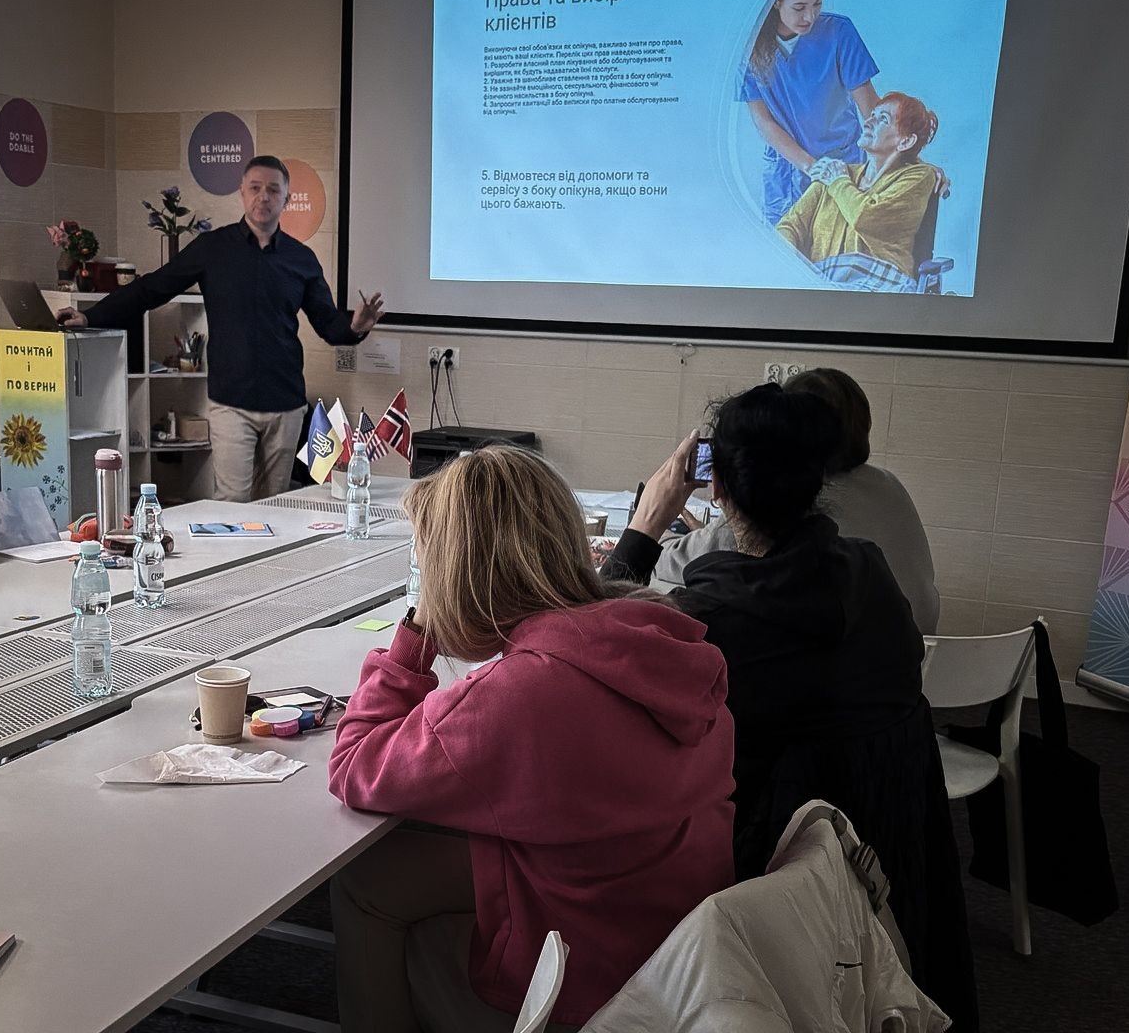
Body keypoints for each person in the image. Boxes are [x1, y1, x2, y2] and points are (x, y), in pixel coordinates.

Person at [603, 387, 977, 1031]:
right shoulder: (871, 572)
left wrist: (645, 526)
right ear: (818, 480)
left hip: (769, 869)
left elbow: (589, 642)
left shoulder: (707, 622)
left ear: (717, 485)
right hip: (888, 843)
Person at [327, 446, 735, 1033]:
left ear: (455, 571)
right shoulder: (663, 645)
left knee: (364, 881)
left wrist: (414, 637)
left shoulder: (519, 695)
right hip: (675, 948)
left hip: (587, 986)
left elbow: (354, 766)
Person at [56, 155, 384, 502]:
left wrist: (355, 326)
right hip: (231, 401)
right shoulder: (213, 248)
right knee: (233, 504)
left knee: (276, 504)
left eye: (273, 190)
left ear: (287, 199)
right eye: (255, 188)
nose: (263, 197)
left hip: (286, 404)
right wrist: (93, 316)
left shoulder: (301, 259)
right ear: (242, 193)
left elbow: (329, 325)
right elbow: (153, 288)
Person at [655, 367, 940, 634]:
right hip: (916, 653)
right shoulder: (890, 484)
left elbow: (674, 562)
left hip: (839, 654)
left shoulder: (789, 494)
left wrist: (654, 531)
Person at [740, 0, 881, 224]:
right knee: (785, 246)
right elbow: (764, 122)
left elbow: (874, 112)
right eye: (799, 7)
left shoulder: (839, 33)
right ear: (776, 1)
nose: (810, 16)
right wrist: (812, 167)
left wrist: (912, 166)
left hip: (843, 169)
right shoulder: (748, 47)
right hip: (786, 176)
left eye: (818, 3)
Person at [777, 91, 940, 290]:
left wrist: (838, 181)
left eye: (883, 119)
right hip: (824, 283)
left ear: (905, 141)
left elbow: (866, 217)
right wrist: (794, 266)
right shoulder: (835, 173)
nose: (868, 122)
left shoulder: (918, 176)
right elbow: (789, 226)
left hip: (883, 286)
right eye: (872, 115)